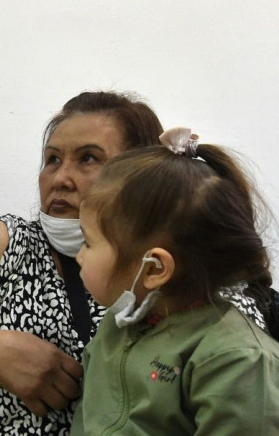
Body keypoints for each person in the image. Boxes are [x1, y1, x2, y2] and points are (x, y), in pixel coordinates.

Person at [0, 92, 269, 435]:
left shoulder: (210, 298)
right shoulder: (1, 243)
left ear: (139, 173)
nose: (60, 178)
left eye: (89, 158)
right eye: (52, 160)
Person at [71, 128, 279, 434]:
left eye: (87, 242)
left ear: (154, 269)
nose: (79, 256)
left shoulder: (238, 359)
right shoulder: (116, 327)